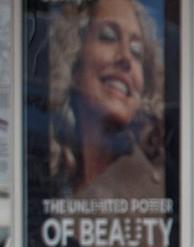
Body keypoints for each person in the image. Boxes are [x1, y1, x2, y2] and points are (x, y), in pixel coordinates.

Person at [48, 0, 165, 200]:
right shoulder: (53, 180)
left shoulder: (153, 191)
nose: (126, 58)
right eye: (109, 37)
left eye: (137, 52)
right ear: (74, 59)